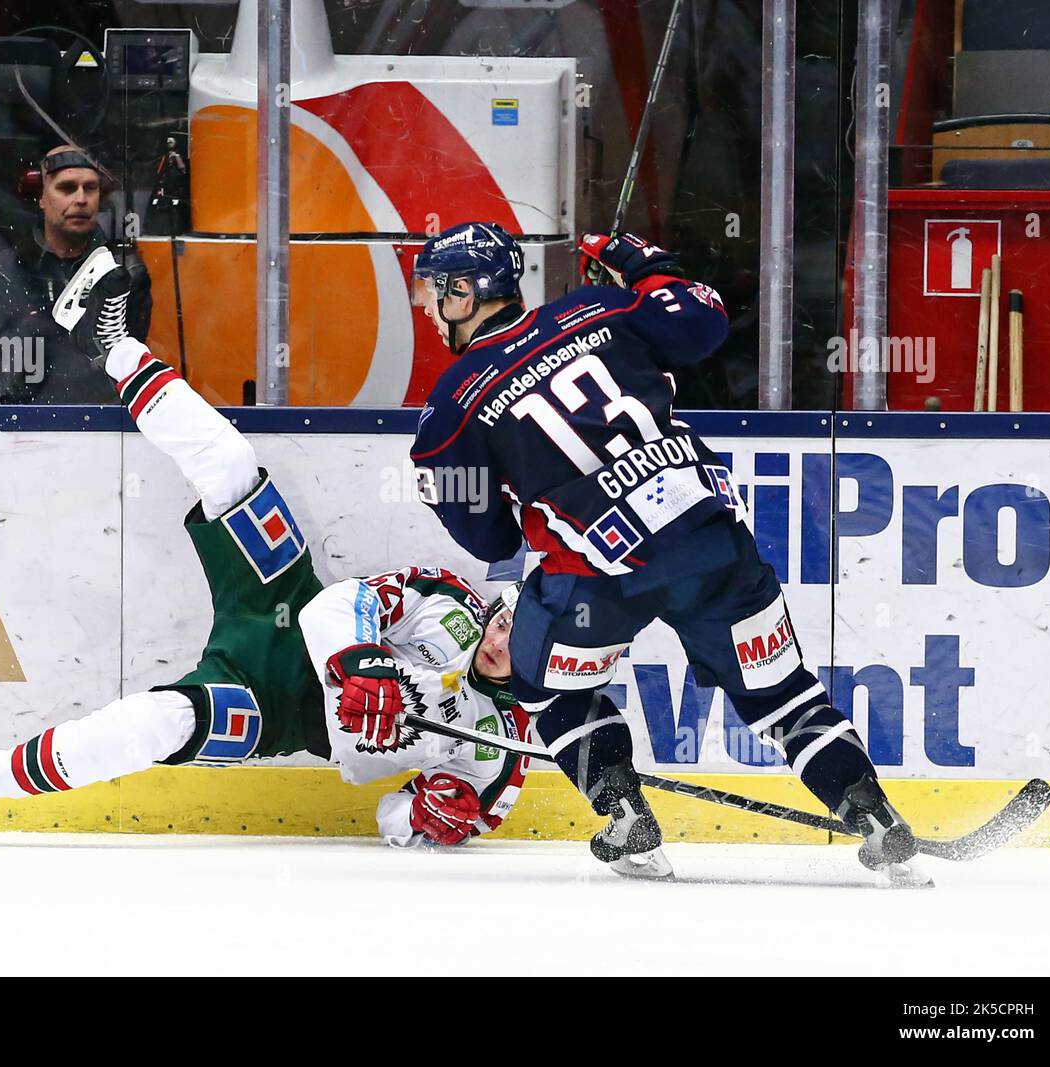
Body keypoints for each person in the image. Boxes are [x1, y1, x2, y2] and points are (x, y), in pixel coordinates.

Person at [0, 247, 527, 848]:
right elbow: (328, 612)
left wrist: (425, 821)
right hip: (284, 603)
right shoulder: (454, 607)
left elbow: (393, 819)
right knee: (229, 463)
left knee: (163, 723)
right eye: (504, 621)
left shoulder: (504, 749)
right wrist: (361, 665)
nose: (499, 637)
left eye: (517, 639)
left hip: (280, 710)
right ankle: (113, 347)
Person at [374, 221, 922, 880]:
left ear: (465, 292)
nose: (427, 306)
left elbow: (488, 536)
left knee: (544, 689)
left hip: (598, 574)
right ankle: (874, 813)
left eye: (434, 291)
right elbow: (703, 324)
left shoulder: (450, 407)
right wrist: (640, 262)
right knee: (782, 695)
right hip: (710, 541)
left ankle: (626, 814)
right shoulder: (598, 307)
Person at [0, 145, 152, 404]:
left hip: (105, 425)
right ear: (41, 197)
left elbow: (126, 370)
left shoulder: (125, 274)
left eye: (90, 188)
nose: (81, 199)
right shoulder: (3, 271)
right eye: (66, 188)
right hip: (20, 421)